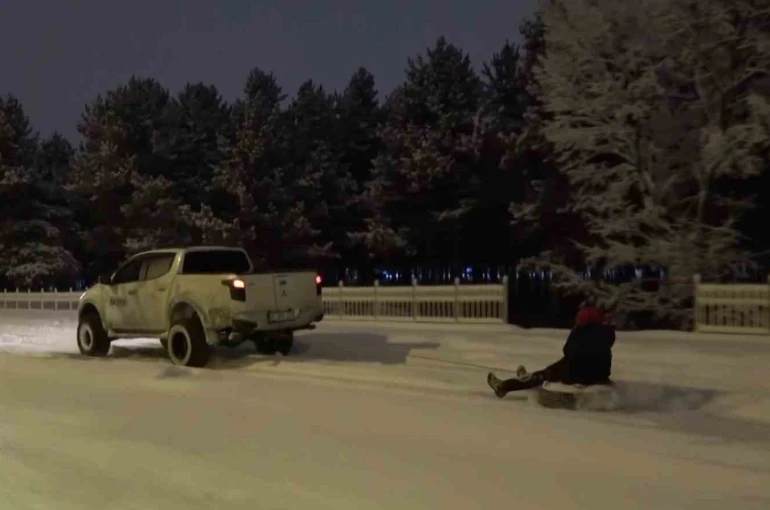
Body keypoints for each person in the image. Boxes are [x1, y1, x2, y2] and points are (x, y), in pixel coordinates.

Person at [487, 306, 615, 398]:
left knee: (544, 374)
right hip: (599, 375)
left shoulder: (582, 332)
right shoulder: (605, 333)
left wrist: (575, 332)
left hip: (576, 373)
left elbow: (568, 351)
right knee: (551, 371)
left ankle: (504, 386)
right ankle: (526, 377)